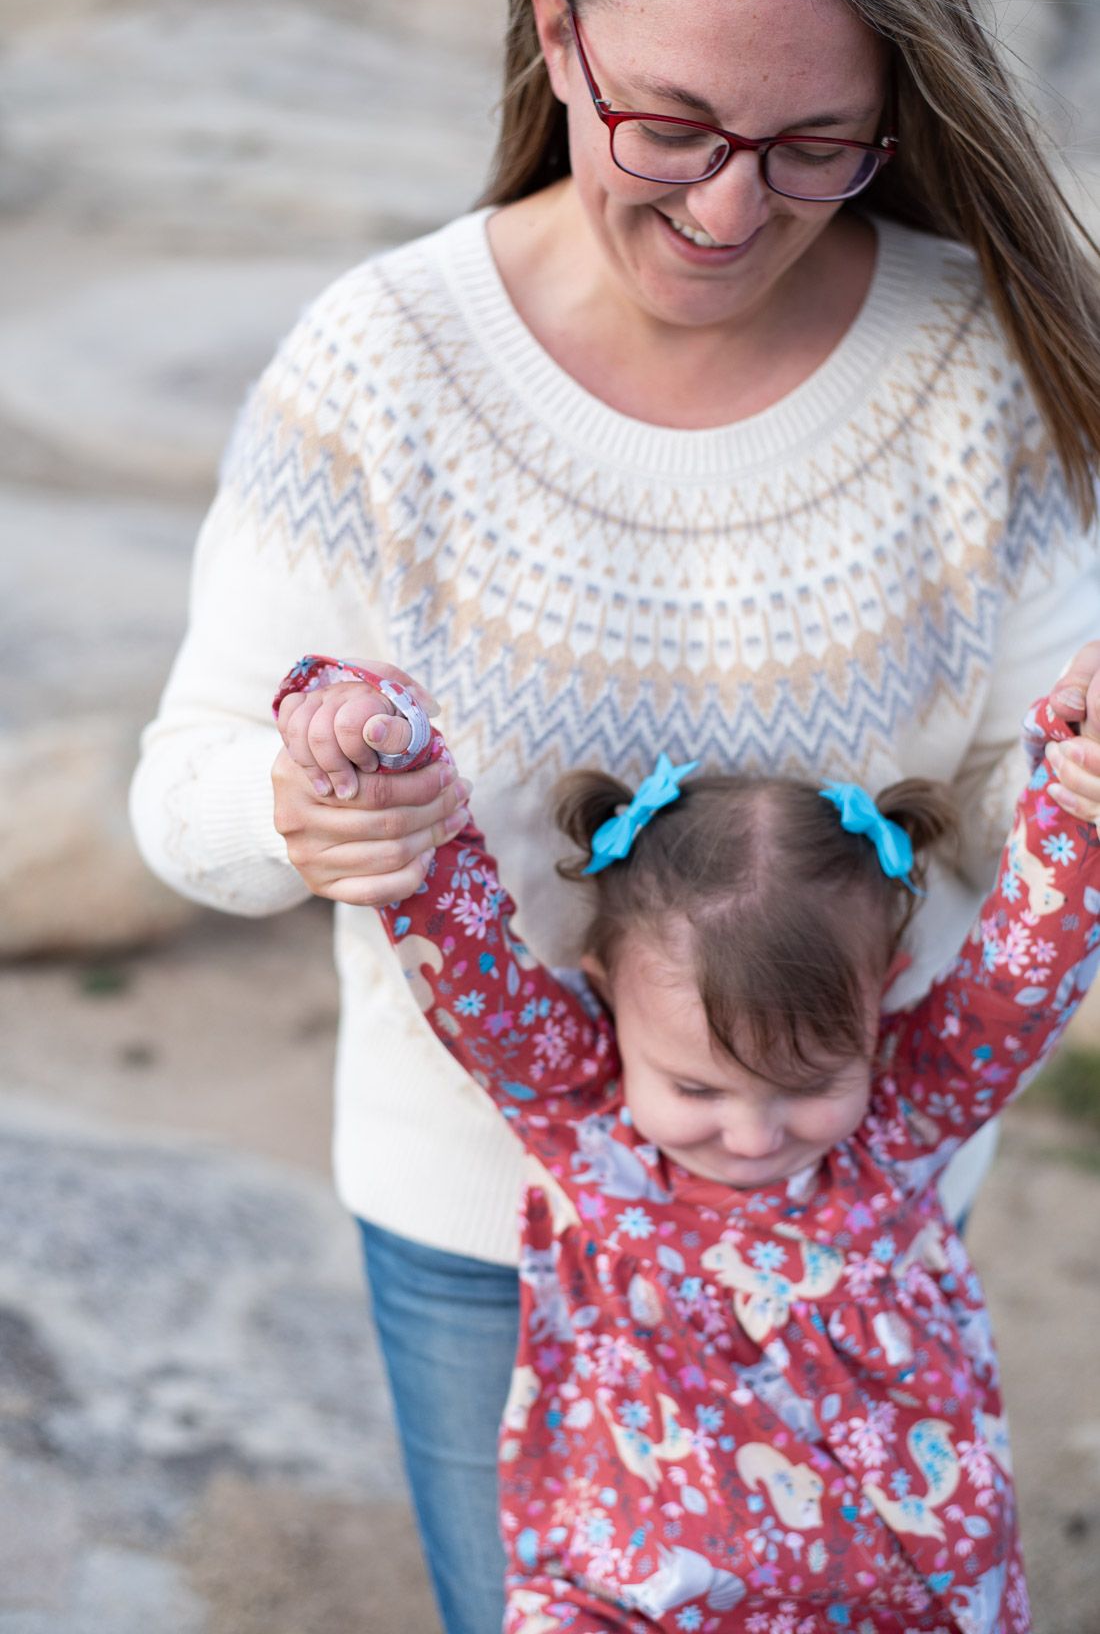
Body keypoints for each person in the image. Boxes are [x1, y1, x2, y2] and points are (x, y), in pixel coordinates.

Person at [129, 0, 1100, 1629]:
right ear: (556, 26)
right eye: (675, 127)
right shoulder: (382, 366)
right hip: (476, 1232)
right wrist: (300, 802)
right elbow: (187, 785)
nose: (729, 211)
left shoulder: (983, 360)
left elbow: (1026, 839)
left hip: (871, 1194)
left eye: (813, 150)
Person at [270, 653, 1100, 1632]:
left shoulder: (899, 1124)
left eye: (806, 1084)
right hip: (623, 1600)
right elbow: (457, 937)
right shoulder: (582, 1122)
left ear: (885, 994)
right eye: (694, 1085)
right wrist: (379, 752)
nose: (749, 1134)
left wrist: (1077, 793)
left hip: (897, 1597)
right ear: (604, 997)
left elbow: (1023, 970)